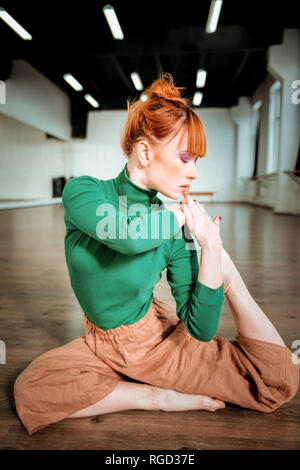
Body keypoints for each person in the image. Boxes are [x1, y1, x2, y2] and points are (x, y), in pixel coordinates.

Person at [13, 73, 299, 436]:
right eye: (185, 159)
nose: (194, 173)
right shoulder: (84, 192)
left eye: (196, 161)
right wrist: (179, 215)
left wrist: (213, 252)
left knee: (277, 385)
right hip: (100, 340)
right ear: (145, 152)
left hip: (152, 344)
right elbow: (126, 236)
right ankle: (154, 396)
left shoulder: (174, 232)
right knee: (31, 390)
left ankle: (230, 280)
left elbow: (201, 329)